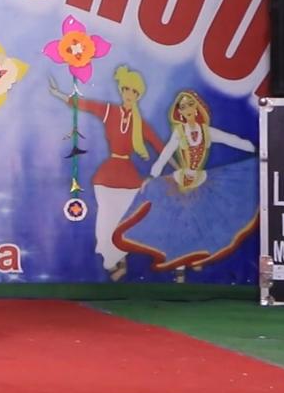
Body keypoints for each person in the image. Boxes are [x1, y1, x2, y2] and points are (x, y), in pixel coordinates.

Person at [111, 89, 259, 281]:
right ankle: (178, 269)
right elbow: (165, 155)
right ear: (179, 112)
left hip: (202, 182)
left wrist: (257, 149)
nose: (187, 109)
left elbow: (233, 140)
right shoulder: (179, 133)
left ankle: (195, 259)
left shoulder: (207, 131)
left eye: (190, 105)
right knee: (178, 226)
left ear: (197, 108)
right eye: (183, 106)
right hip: (178, 184)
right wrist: (152, 176)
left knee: (201, 225)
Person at [48, 65, 164, 281]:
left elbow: (160, 147)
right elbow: (85, 105)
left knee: (123, 224)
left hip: (129, 179)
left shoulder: (140, 123)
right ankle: (112, 262)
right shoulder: (110, 111)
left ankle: (120, 263)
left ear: (139, 95)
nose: (129, 94)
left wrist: (165, 173)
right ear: (121, 90)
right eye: (126, 89)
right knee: (105, 223)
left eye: (134, 92)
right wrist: (58, 94)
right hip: (107, 177)